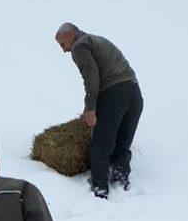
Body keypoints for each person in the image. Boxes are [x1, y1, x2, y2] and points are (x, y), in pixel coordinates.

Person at [55, 22, 143, 199]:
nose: (64, 50)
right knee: (122, 143)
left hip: (114, 94)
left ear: (72, 35)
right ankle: (121, 179)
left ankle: (100, 189)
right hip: (134, 93)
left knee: (101, 145)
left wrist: (90, 108)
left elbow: (91, 77)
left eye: (63, 44)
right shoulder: (98, 40)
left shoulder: (80, 46)